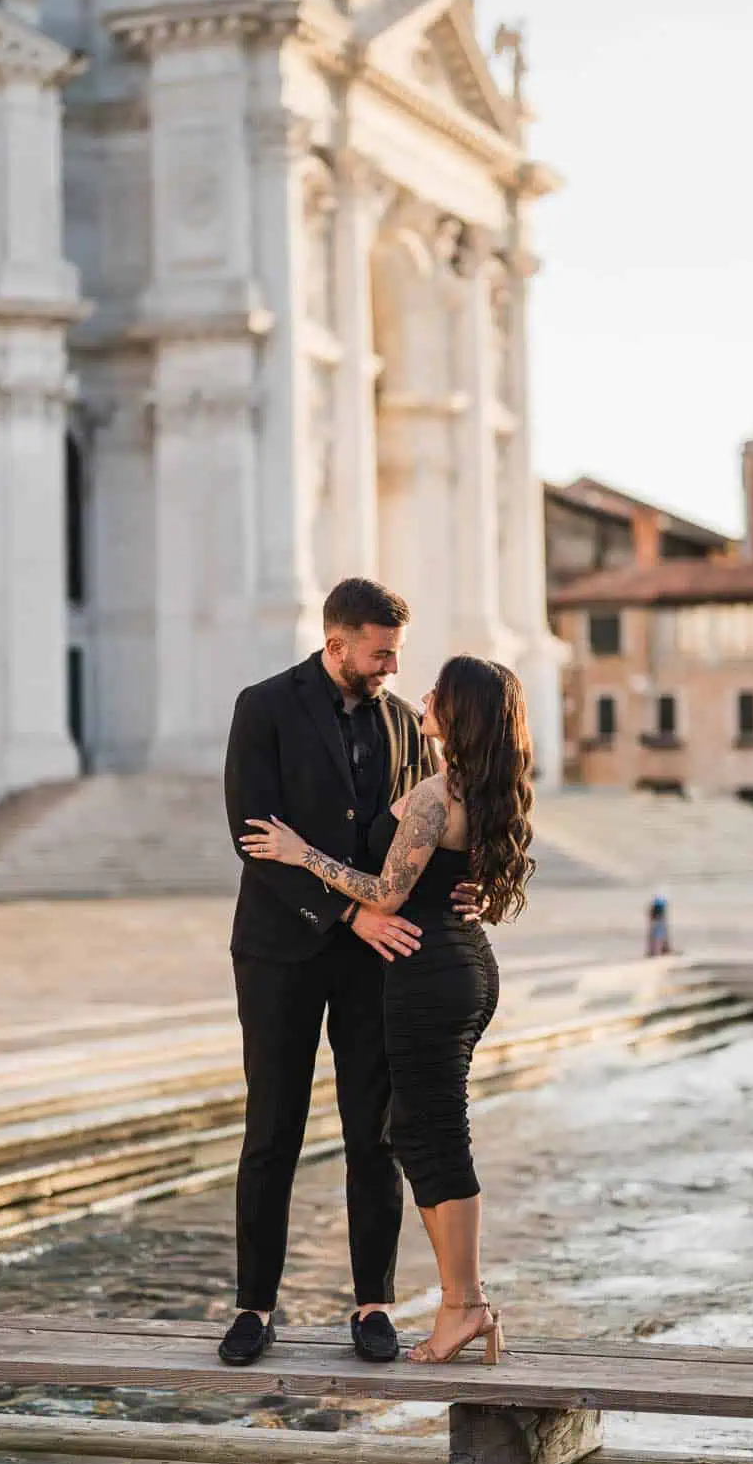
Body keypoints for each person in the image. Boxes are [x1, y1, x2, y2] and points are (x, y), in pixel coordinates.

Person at [243, 654, 535, 1365]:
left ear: (458, 713)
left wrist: (299, 852)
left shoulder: (438, 795)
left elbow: (384, 896)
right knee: (417, 1133)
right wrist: (462, 895)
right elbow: (486, 889)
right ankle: (466, 1303)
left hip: (429, 973)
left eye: (440, 690)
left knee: (431, 1138)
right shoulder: (484, 788)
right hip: (459, 964)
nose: (422, 693)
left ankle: (462, 1304)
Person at [218, 578, 438, 1371]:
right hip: (279, 950)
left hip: (371, 960)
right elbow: (253, 836)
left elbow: (420, 830)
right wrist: (348, 912)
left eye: (395, 655)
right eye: (379, 654)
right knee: (270, 1130)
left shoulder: (407, 722)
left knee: (371, 1136)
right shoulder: (264, 705)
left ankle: (372, 1304)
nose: (388, 668)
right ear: (337, 643)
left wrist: (463, 890)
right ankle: (254, 1306)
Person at [646, 893, 670, 958]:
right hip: (658, 922)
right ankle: (657, 952)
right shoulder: (660, 909)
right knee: (659, 937)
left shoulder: (654, 908)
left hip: (655, 922)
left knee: (654, 937)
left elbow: (650, 916)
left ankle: (654, 952)